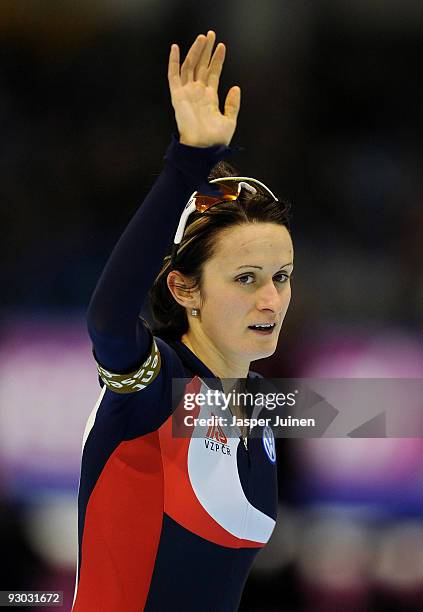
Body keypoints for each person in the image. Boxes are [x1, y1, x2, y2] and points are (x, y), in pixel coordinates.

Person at [72, 30, 293, 612]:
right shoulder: (154, 387)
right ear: (184, 287)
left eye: (282, 276)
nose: (271, 299)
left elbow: (388, 412)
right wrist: (186, 163)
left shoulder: (266, 403)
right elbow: (108, 321)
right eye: (245, 278)